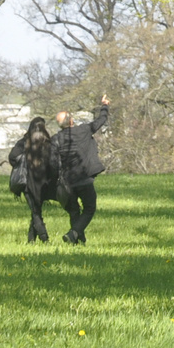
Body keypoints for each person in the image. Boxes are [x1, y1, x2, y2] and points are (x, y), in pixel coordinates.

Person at [52, 95, 111, 244]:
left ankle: (79, 241)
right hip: (84, 178)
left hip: (67, 182)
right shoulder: (84, 130)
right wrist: (104, 105)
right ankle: (74, 234)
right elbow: (100, 121)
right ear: (71, 120)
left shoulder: (56, 139)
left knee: (74, 211)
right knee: (90, 208)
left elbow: (51, 160)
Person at [9, 118, 60, 243]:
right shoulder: (49, 144)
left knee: (35, 212)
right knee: (36, 211)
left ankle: (43, 239)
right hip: (44, 183)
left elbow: (12, 157)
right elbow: (54, 164)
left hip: (27, 183)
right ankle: (33, 240)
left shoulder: (23, 142)